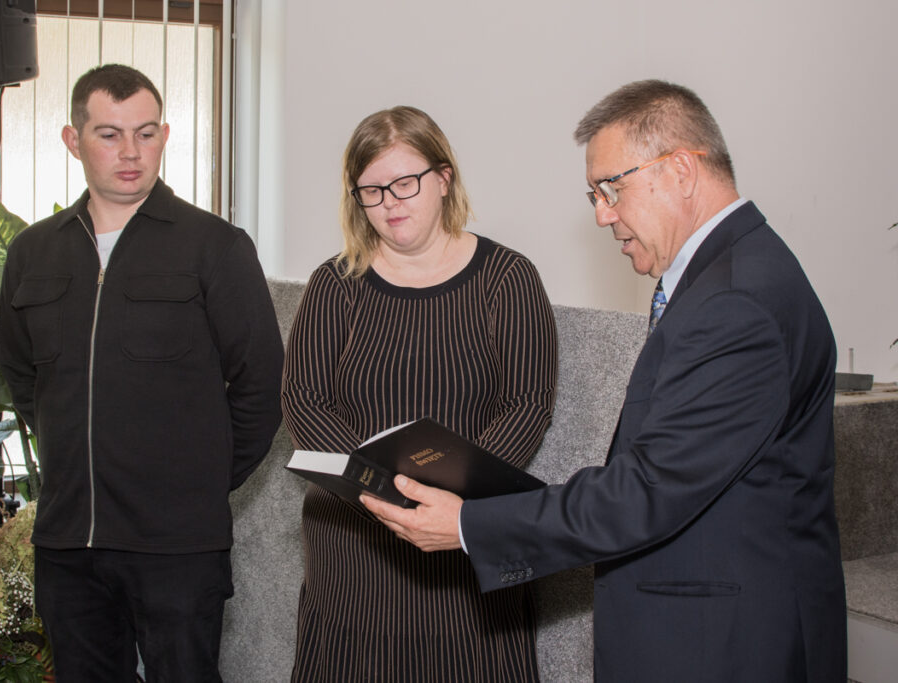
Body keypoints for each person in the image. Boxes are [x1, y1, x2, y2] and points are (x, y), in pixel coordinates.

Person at [363, 80, 847, 682]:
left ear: (680, 171)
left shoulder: (735, 301)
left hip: (723, 645)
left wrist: (468, 524)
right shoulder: (732, 274)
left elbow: (647, 490)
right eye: (594, 194)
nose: (602, 214)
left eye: (612, 188)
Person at [0, 64, 283, 682]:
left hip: (177, 547)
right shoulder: (33, 253)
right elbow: (23, 378)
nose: (131, 152)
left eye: (146, 134)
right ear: (73, 140)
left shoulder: (215, 246)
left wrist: (199, 481)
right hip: (68, 542)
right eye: (109, 134)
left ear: (164, 136)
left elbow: (261, 387)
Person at [282, 105, 558, 681]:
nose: (390, 202)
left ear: (444, 178)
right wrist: (382, 493)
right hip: (355, 546)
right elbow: (304, 400)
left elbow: (526, 405)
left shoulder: (508, 279)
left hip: (465, 539)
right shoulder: (335, 283)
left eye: (405, 182)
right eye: (372, 190)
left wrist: (449, 504)